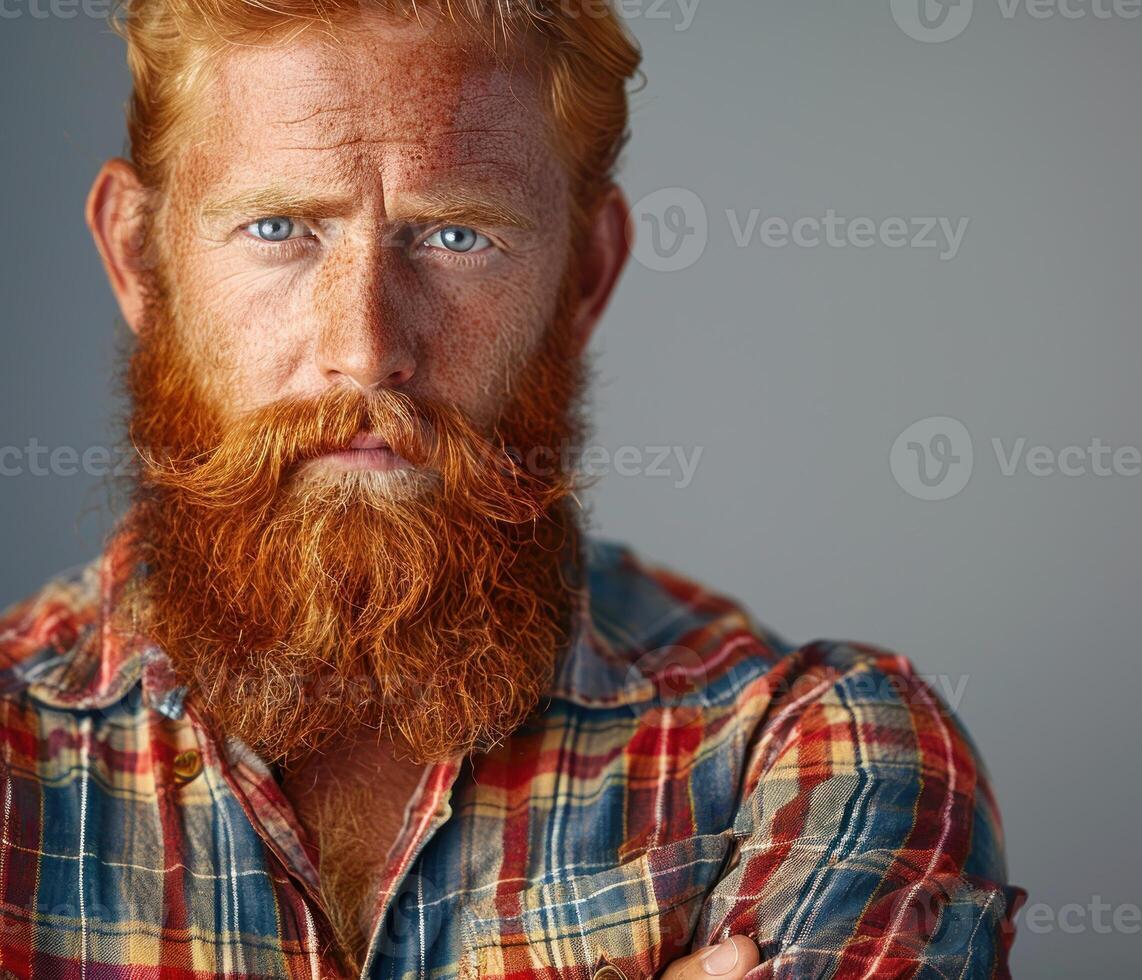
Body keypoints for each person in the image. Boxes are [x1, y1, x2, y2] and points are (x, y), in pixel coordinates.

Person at [0, 1, 1023, 976]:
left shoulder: (818, 754)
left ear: (583, 273)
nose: (364, 350)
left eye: (454, 235)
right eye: (279, 229)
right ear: (139, 257)